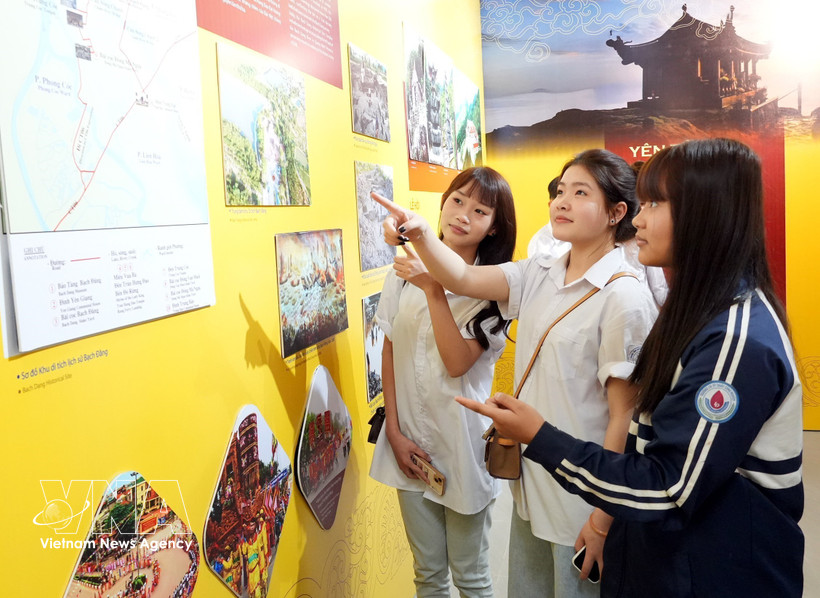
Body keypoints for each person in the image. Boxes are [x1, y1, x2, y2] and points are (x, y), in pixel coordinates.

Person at [457, 138, 804, 597]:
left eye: (655, 204)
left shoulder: (734, 341)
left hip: (717, 567)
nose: (639, 219)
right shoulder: (697, 311)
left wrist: (541, 437)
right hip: (671, 553)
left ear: (705, 213)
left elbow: (669, 487)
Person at [373, 150, 658, 598]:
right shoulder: (539, 273)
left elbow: (625, 417)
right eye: (560, 191)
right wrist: (422, 231)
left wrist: (603, 519)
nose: (562, 201)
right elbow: (461, 277)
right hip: (531, 483)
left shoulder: (624, 297)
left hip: (580, 500)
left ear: (616, 213)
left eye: (580, 193)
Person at [369, 166, 517, 597]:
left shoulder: (495, 290)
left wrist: (433, 289)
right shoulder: (403, 270)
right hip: (409, 443)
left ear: (494, 228)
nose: (463, 215)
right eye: (457, 200)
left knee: (470, 577)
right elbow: (390, 347)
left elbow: (456, 364)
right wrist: (393, 432)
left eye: (480, 211)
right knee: (428, 575)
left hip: (462, 445)